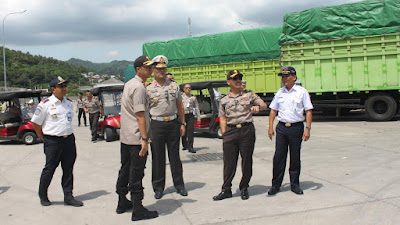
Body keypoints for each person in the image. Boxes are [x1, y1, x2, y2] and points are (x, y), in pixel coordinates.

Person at [213, 70, 267, 201]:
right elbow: (222, 117)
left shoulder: (249, 95)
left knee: (246, 160)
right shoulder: (224, 99)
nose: (238, 80)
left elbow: (263, 104)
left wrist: (257, 107)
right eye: (235, 78)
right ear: (228, 82)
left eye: (239, 78)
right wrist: (225, 134)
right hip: (231, 132)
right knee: (229, 162)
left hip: (246, 130)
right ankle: (226, 189)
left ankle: (244, 188)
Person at [116, 56, 158, 221]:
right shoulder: (139, 88)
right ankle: (138, 209)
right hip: (136, 139)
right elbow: (140, 115)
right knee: (136, 173)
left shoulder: (129, 84)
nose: (150, 70)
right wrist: (145, 139)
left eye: (151, 67)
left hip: (126, 137)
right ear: (138, 69)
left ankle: (122, 201)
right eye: (147, 67)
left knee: (125, 170)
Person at [32, 76, 83, 207]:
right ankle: (43, 195)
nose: (64, 89)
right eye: (61, 87)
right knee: (49, 169)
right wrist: (44, 139)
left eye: (65, 86)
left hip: (68, 140)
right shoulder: (45, 104)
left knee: (68, 169)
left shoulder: (69, 102)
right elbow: (36, 124)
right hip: (53, 141)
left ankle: (68, 196)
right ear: (53, 89)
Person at [146, 55, 187, 199]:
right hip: (156, 125)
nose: (161, 71)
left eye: (163, 69)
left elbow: (180, 106)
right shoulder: (148, 88)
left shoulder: (174, 86)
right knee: (158, 157)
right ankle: (158, 187)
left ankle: (179, 185)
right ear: (153, 70)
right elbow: (145, 110)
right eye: (158, 69)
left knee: (175, 156)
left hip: (173, 123)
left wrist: (182, 123)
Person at [267, 67, 313, 196]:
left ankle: (295, 184)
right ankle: (276, 184)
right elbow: (273, 111)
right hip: (281, 128)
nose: (284, 79)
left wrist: (308, 129)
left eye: (287, 76)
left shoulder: (301, 92)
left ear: (294, 77)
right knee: (279, 157)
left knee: (295, 157)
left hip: (296, 128)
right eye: (282, 77)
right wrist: (270, 127)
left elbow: (308, 111)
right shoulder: (280, 93)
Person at [181, 83, 201, 153]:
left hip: (190, 115)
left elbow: (196, 107)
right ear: (183, 89)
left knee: (190, 130)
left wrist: (198, 117)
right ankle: (184, 145)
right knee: (183, 130)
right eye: (186, 88)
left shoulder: (193, 97)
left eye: (189, 88)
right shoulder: (181, 97)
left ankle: (190, 146)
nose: (188, 89)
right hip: (183, 115)